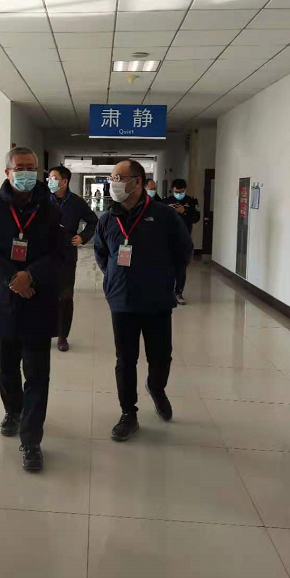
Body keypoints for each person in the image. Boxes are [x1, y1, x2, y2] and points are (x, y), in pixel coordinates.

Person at [0, 146, 64, 473]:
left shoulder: (51, 210)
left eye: (30, 167)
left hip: (38, 300)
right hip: (4, 299)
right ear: (7, 172)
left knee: (37, 375)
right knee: (7, 368)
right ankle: (13, 411)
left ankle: (31, 440)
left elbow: (60, 254)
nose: (25, 173)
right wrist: (13, 277)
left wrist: (30, 276)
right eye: (19, 167)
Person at [94, 160, 192, 441]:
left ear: (137, 181)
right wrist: (116, 279)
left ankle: (156, 388)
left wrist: (163, 277)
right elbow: (102, 254)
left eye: (119, 178)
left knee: (160, 355)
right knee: (125, 359)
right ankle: (128, 413)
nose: (113, 183)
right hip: (121, 300)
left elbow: (183, 252)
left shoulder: (164, 215)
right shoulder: (107, 219)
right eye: (112, 177)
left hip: (156, 298)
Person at [47, 165, 98, 352]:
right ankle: (44, 332)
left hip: (66, 254)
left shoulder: (76, 202)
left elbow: (93, 221)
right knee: (44, 294)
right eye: (49, 178)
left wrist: (83, 237)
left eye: (53, 178)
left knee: (65, 296)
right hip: (44, 253)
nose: (50, 181)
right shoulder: (42, 199)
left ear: (64, 182)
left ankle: (62, 335)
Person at [163, 178, 200, 305]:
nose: (179, 194)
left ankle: (179, 292)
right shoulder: (166, 202)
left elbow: (196, 218)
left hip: (184, 240)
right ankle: (167, 292)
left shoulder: (192, 201)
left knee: (181, 268)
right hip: (167, 240)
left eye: (181, 191)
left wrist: (184, 211)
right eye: (176, 192)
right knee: (167, 268)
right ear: (172, 190)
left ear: (185, 190)